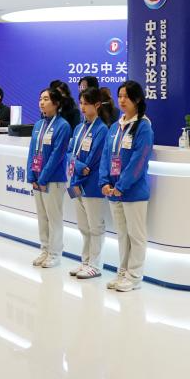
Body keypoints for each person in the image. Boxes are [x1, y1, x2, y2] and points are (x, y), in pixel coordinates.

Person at [99, 81, 153, 292]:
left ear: (137, 99)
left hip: (133, 192)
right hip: (113, 191)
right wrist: (104, 181)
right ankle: (122, 272)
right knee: (122, 235)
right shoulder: (115, 126)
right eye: (120, 96)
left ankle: (134, 276)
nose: (121, 100)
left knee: (136, 236)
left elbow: (139, 161)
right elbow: (106, 155)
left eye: (126, 97)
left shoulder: (143, 126)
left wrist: (122, 185)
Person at [26, 87, 72, 268]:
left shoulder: (63, 126)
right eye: (40, 99)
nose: (42, 102)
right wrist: (31, 174)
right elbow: (32, 151)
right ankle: (44, 249)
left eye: (46, 99)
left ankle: (55, 253)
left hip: (53, 179)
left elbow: (57, 155)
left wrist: (43, 177)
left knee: (54, 217)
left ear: (56, 103)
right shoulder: (38, 125)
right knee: (42, 216)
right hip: (38, 178)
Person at [66, 87, 109, 279]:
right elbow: (69, 152)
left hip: (91, 184)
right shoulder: (78, 128)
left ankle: (95, 265)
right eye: (81, 103)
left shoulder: (102, 129)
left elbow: (93, 159)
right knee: (83, 226)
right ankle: (85, 261)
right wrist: (77, 167)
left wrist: (81, 168)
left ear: (97, 105)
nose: (82, 107)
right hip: (76, 180)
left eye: (86, 103)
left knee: (95, 226)